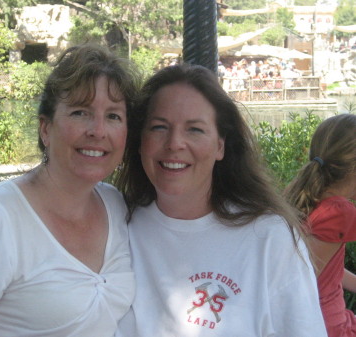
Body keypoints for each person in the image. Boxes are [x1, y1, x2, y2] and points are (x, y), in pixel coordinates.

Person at [0, 43, 139, 337]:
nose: (98, 131)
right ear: (45, 128)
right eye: (80, 112)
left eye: (114, 116)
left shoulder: (116, 206)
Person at [115, 64, 327, 337]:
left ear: (220, 146)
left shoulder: (268, 238)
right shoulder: (116, 225)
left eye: (195, 130)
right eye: (159, 127)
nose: (174, 143)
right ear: (140, 140)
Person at [285, 113, 356, 337]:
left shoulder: (313, 200)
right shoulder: (339, 212)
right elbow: (302, 279)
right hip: (326, 325)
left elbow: (323, 266)